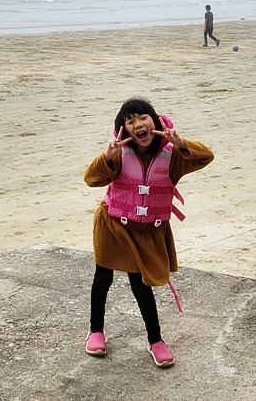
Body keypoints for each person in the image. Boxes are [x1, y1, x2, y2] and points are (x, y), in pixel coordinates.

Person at [83, 96, 214, 367]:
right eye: (130, 121)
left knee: (140, 285)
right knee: (102, 278)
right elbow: (91, 179)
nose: (138, 125)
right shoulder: (118, 153)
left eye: (143, 118)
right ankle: (96, 331)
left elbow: (206, 156)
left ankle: (155, 340)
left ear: (154, 121)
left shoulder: (173, 155)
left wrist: (181, 143)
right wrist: (106, 157)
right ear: (123, 129)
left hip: (146, 230)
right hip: (112, 224)